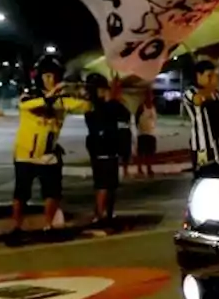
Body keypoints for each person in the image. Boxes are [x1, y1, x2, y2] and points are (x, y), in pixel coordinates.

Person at [11, 56, 90, 238]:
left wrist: (88, 94)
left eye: (54, 76)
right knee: (21, 194)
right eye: (47, 76)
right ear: (39, 77)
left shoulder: (60, 100)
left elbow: (84, 106)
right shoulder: (30, 94)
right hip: (25, 154)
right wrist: (54, 93)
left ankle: (49, 226)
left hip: (49, 154)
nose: (51, 80)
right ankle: (16, 228)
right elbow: (30, 105)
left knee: (53, 192)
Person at [84, 74, 128, 226]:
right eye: (102, 89)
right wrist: (114, 98)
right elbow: (120, 113)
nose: (105, 92)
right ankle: (101, 214)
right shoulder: (96, 107)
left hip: (107, 148)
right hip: (103, 149)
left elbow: (124, 115)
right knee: (103, 185)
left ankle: (106, 213)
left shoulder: (100, 105)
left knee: (109, 185)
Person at [183, 60, 219, 166]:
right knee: (204, 178)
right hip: (202, 146)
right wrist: (210, 87)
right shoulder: (190, 92)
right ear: (199, 75)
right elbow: (198, 100)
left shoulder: (216, 94)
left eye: (214, 76)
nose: (212, 79)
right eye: (209, 75)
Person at [135, 90, 158, 178]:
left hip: (151, 133)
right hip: (142, 133)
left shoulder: (153, 107)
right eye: (147, 96)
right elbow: (137, 119)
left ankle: (149, 168)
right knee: (141, 153)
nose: (149, 98)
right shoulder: (141, 107)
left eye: (150, 96)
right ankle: (139, 168)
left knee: (150, 153)